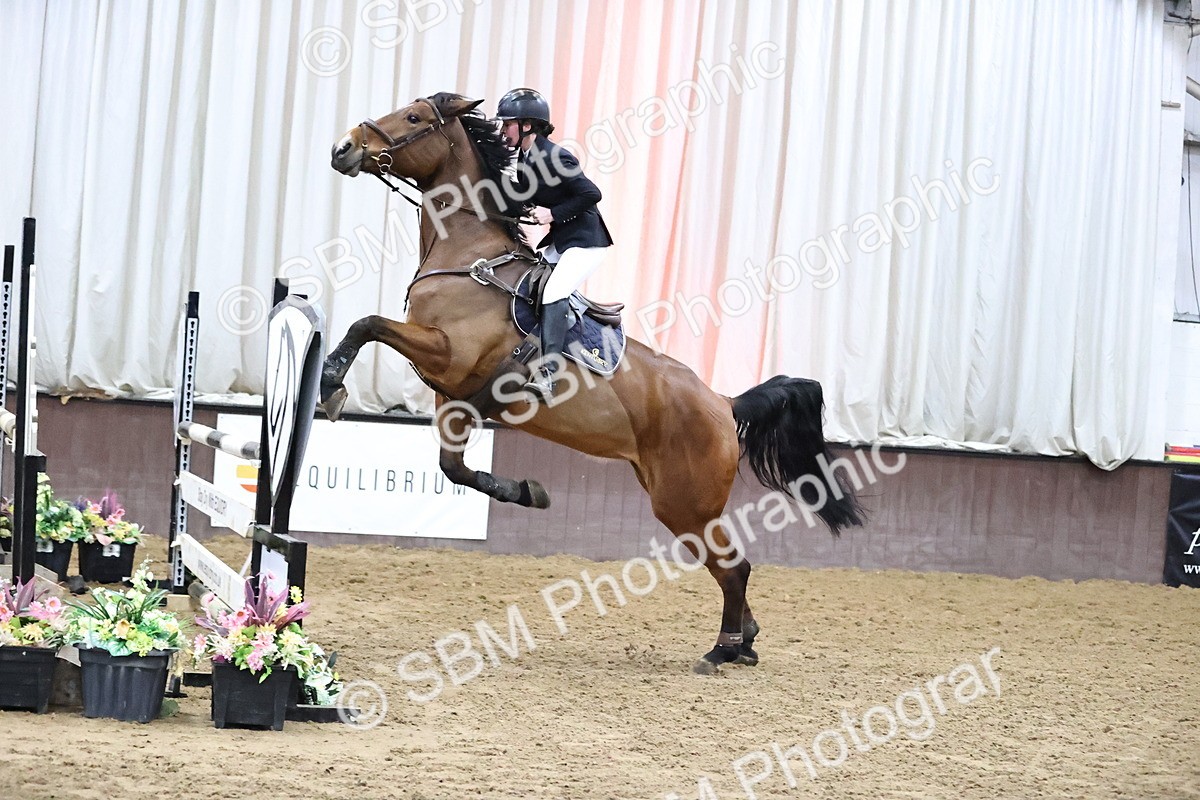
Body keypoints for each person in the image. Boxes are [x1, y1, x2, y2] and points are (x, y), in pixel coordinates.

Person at [496, 87, 613, 402]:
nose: (503, 130)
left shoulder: (556, 155)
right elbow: (522, 195)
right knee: (529, 284)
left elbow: (591, 194)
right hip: (561, 241)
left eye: (508, 124)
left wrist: (552, 213)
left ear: (528, 126)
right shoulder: (524, 158)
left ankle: (549, 374)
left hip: (586, 243)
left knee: (554, 291)